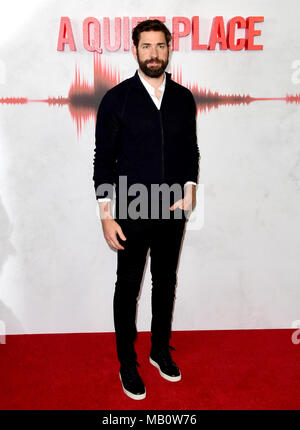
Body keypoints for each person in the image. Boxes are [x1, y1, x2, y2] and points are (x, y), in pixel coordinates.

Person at [93, 19, 200, 400]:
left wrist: (190, 188)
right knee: (128, 288)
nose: (153, 54)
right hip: (130, 208)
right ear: (134, 49)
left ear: (170, 48)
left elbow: (191, 149)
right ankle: (127, 363)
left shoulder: (184, 98)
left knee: (165, 282)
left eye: (160, 46)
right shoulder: (116, 99)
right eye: (146, 46)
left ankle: (158, 350)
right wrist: (106, 212)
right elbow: (103, 159)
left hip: (172, 208)